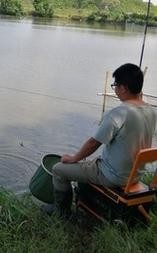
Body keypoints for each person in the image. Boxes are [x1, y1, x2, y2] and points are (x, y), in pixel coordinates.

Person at [51, 63, 157, 217]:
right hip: (135, 174)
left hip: (113, 176)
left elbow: (93, 143)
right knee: (88, 163)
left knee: (58, 169)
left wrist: (73, 158)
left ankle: (61, 213)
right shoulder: (151, 112)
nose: (114, 90)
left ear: (123, 88)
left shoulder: (118, 113)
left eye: (115, 85)